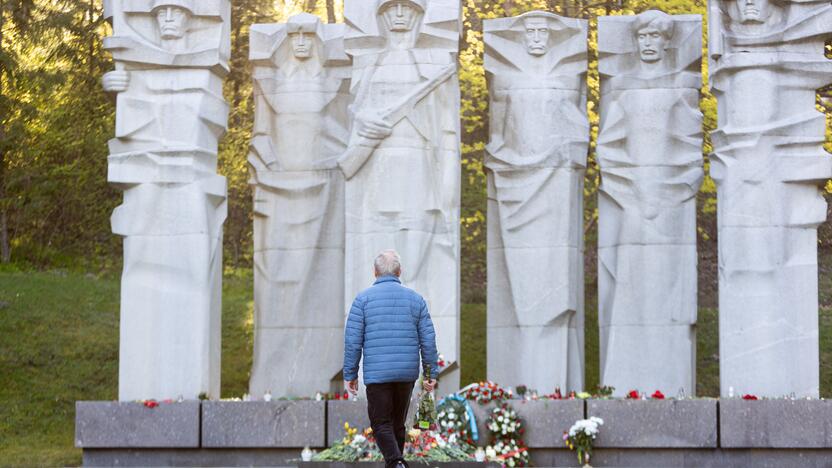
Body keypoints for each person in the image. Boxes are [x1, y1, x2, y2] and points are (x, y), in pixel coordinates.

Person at [343, 250, 439, 468]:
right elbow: (428, 340)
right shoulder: (416, 300)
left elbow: (352, 341)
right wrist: (431, 372)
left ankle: (396, 462)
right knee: (397, 424)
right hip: (406, 374)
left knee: (380, 423)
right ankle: (396, 464)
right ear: (399, 271)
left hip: (378, 375)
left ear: (375, 272)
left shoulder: (363, 300)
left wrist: (350, 374)